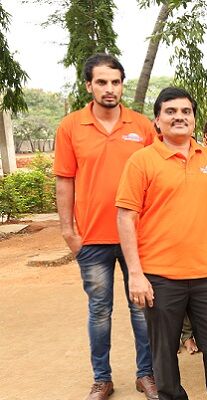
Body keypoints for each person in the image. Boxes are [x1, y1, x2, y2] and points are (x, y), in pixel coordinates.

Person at [116, 87, 207, 400]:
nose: (179, 117)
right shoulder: (141, 161)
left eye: (186, 112)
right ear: (157, 121)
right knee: (165, 359)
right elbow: (126, 218)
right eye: (170, 112)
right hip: (159, 278)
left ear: (195, 120)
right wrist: (136, 274)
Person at [54, 53, 158, 400]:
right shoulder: (71, 126)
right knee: (100, 311)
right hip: (92, 239)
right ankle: (102, 378)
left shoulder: (142, 127)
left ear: (122, 85)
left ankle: (147, 375)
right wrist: (69, 232)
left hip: (139, 239)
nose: (109, 89)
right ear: (89, 85)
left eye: (115, 82)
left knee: (142, 310)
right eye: (101, 82)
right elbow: (64, 181)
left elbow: (157, 179)